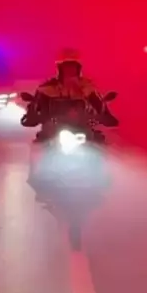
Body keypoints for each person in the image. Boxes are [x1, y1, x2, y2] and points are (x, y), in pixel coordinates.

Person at [22, 49, 118, 200]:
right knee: (39, 144)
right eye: (66, 67)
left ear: (79, 68)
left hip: (82, 127)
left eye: (73, 67)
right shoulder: (48, 88)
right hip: (54, 128)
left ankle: (100, 180)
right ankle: (37, 181)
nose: (70, 71)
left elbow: (99, 105)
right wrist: (32, 116)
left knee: (100, 143)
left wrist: (107, 116)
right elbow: (35, 106)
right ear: (59, 69)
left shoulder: (87, 87)